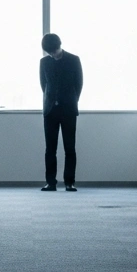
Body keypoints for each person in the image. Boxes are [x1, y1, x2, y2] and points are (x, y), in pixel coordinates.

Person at [39, 33, 82, 192]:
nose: (53, 54)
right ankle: (51, 182)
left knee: (69, 148)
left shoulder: (73, 60)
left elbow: (79, 84)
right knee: (50, 148)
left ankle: (69, 182)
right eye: (49, 52)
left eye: (54, 51)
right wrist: (52, 99)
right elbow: (44, 85)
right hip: (50, 110)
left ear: (60, 45)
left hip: (69, 109)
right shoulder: (43, 62)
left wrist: (70, 100)